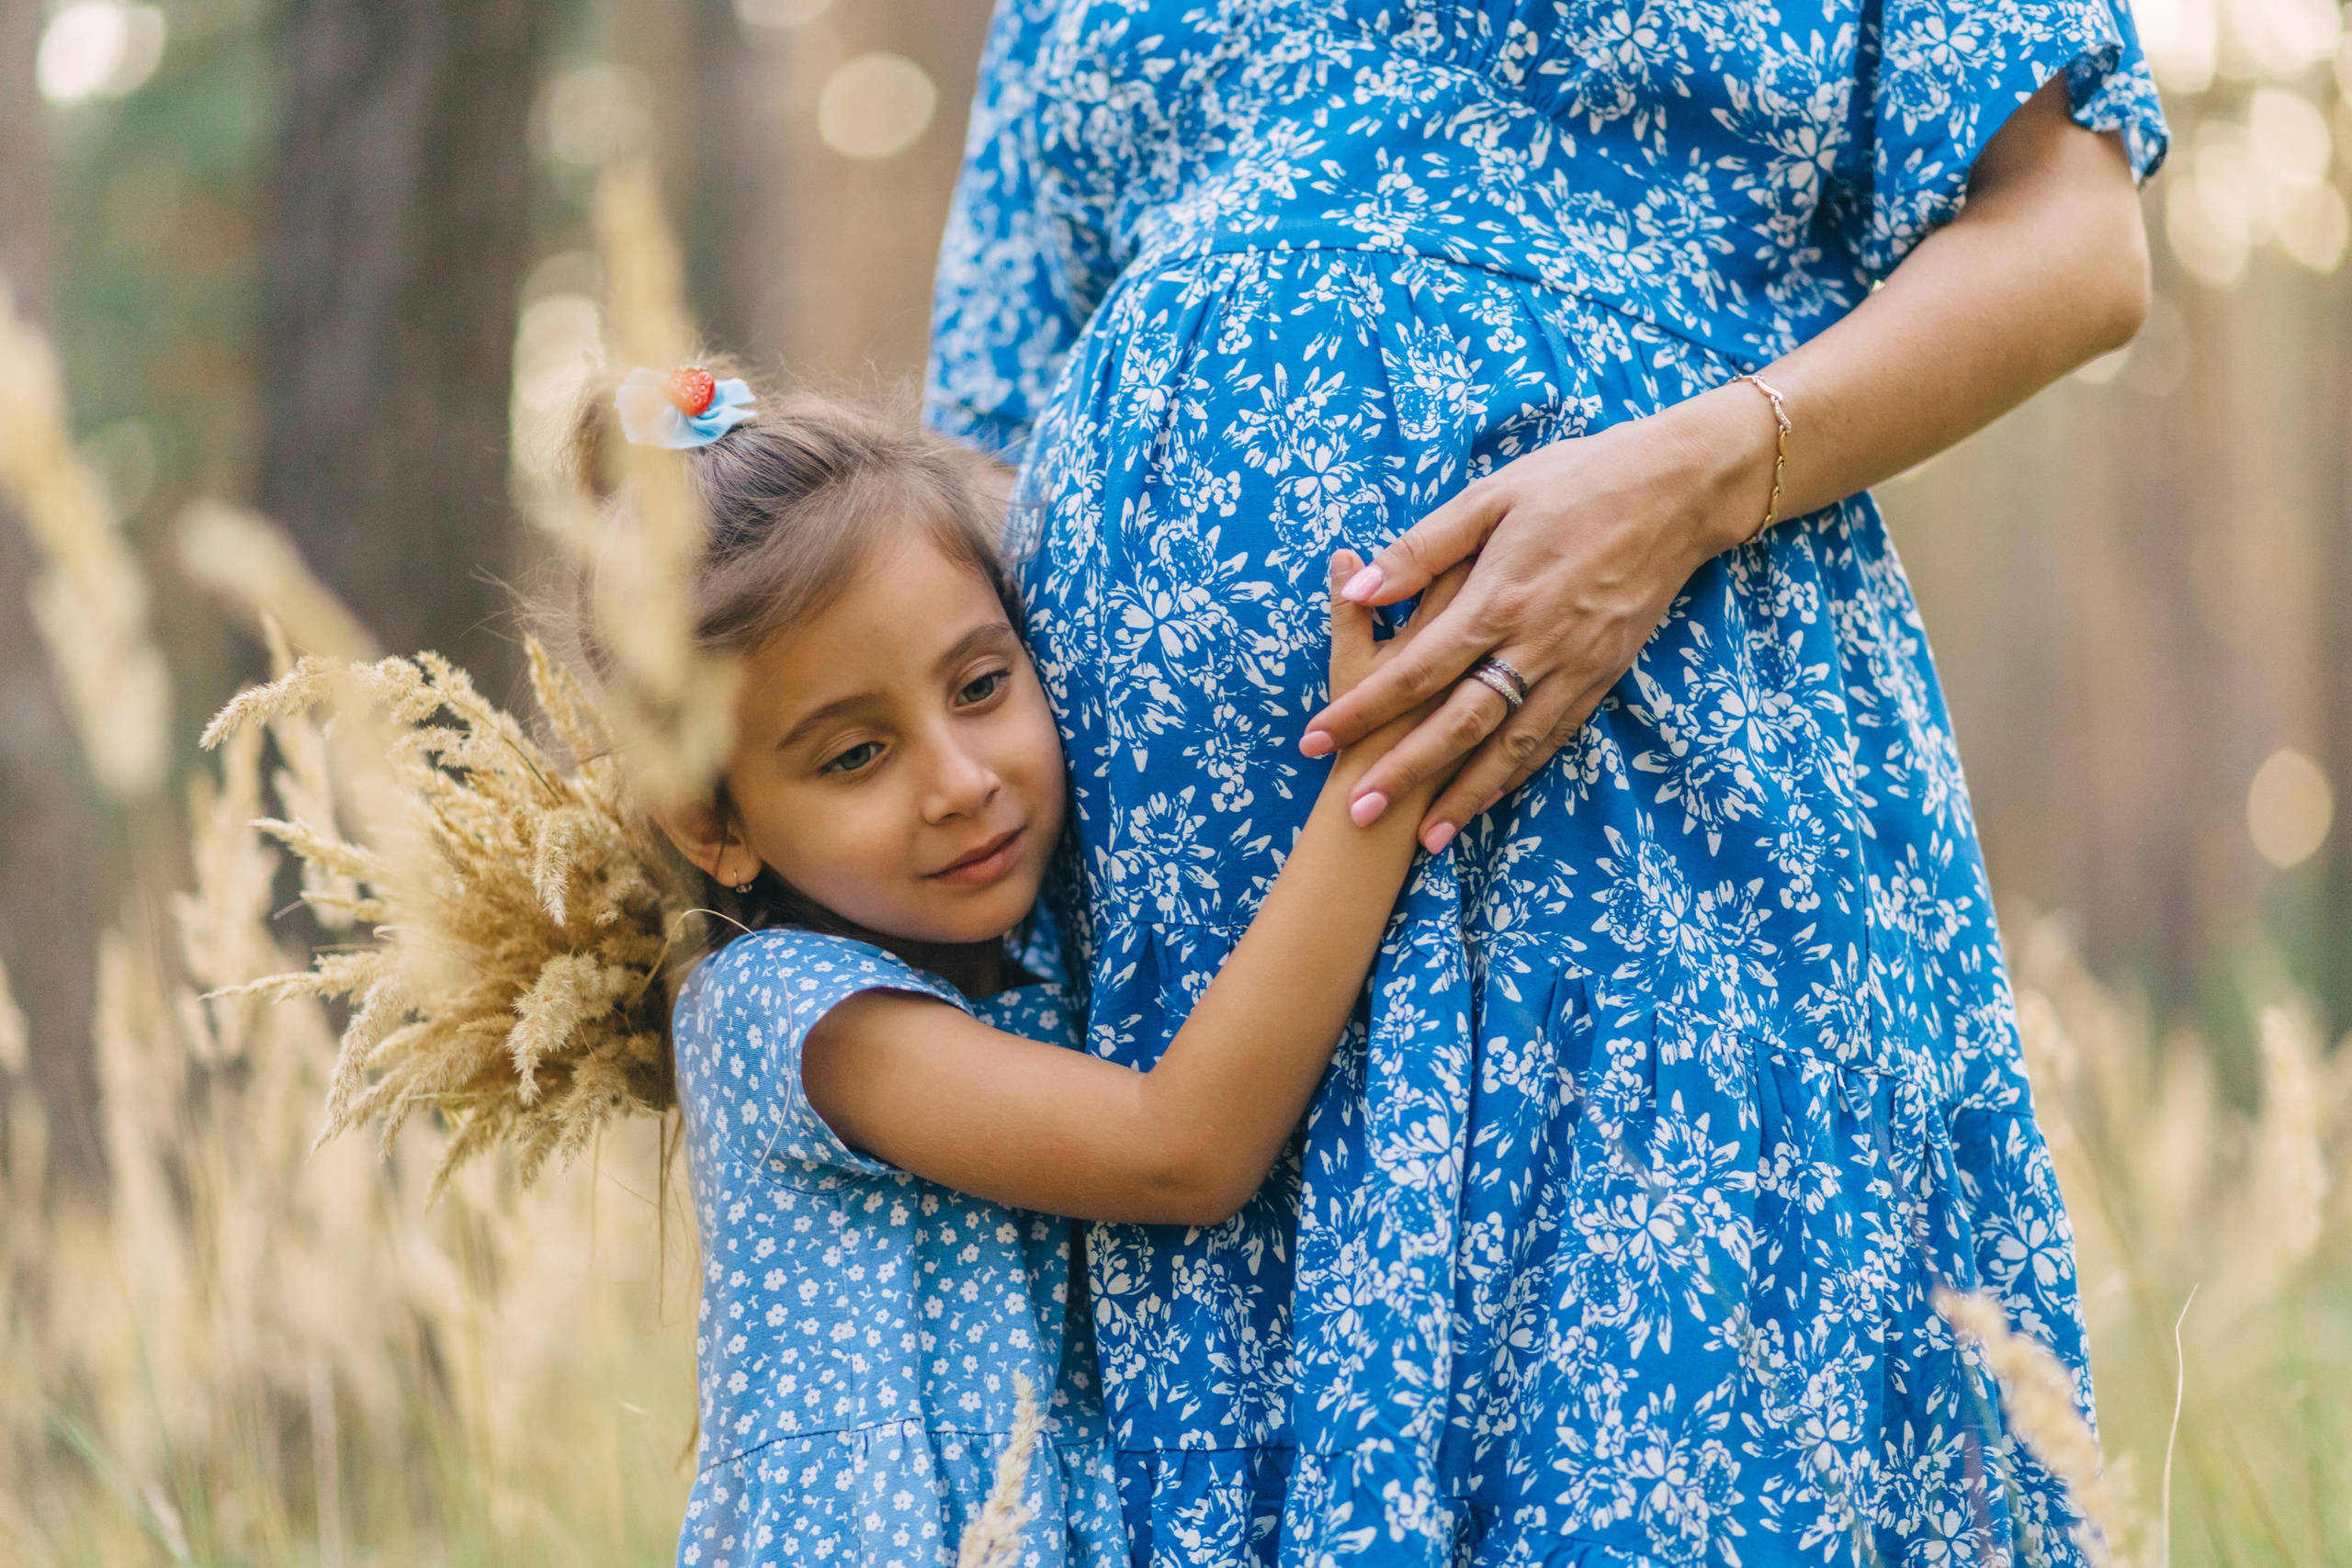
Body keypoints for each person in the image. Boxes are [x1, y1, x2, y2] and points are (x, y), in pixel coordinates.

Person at [926, 3, 2169, 1563]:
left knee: (1672, 1467)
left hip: (1668, 798)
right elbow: (981, 425)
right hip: (1189, 932)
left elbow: (2077, 235)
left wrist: (1698, 473)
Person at [578, 369, 1464, 1568]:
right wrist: (1381, 769)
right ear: (711, 825)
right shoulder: (780, 1008)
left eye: (983, 687)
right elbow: (1182, 1149)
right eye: (854, 756)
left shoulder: (1019, 969)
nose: (959, 780)